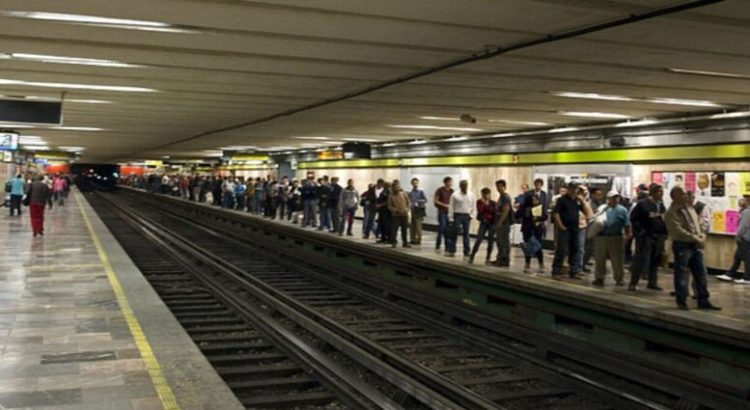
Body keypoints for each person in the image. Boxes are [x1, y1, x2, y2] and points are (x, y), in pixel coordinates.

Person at [665, 186, 720, 310]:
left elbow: (697, 224)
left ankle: (703, 299)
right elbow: (678, 232)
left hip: (695, 245)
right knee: (682, 273)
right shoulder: (671, 213)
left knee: (701, 272)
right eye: (682, 194)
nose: (685, 196)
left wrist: (701, 236)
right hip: (682, 246)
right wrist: (697, 239)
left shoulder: (689, 208)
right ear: (674, 196)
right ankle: (681, 300)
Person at [629, 183, 667, 291]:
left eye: (662, 191)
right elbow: (633, 218)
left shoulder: (661, 204)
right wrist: (640, 231)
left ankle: (652, 282)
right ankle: (633, 283)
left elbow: (664, 219)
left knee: (655, 260)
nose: (661, 194)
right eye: (659, 191)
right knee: (641, 259)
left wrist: (664, 233)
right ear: (653, 192)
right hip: (646, 236)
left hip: (658, 235)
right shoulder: (643, 204)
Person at [592, 191, 632, 287]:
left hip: (616, 237)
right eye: (612, 198)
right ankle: (599, 277)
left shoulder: (623, 210)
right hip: (601, 236)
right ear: (608, 198)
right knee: (600, 258)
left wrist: (628, 234)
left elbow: (627, 223)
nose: (614, 199)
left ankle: (619, 278)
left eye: (616, 197)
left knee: (617, 259)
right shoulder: (602, 208)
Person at [551, 182, 583, 280]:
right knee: (561, 250)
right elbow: (556, 213)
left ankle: (573, 271)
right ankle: (556, 271)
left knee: (575, 249)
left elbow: (586, 211)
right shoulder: (562, 200)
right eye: (572, 188)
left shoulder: (576, 201)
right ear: (568, 188)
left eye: (576, 188)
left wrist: (582, 200)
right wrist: (561, 226)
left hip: (575, 228)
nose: (574, 190)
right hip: (565, 228)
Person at [717, 195, 750, 284]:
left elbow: (743, 226)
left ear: (747, 201)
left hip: (745, 238)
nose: (740, 201)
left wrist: (738, 236)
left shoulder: (747, 212)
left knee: (747, 258)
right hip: (745, 237)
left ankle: (747, 277)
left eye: (743, 200)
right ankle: (730, 274)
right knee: (738, 257)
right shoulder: (744, 211)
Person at [519, 192, 547, 273]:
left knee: (538, 247)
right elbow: (518, 215)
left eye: (536, 199)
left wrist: (538, 218)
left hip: (537, 229)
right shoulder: (525, 207)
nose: (535, 201)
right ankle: (527, 264)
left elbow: (545, 216)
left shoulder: (540, 207)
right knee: (528, 247)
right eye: (533, 200)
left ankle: (541, 264)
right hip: (527, 229)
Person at [448, 180, 474, 258]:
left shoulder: (471, 194)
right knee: (454, 233)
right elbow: (451, 206)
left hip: (466, 216)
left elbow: (473, 205)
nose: (464, 187)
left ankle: (466, 251)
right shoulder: (455, 195)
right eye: (463, 186)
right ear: (460, 186)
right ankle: (452, 250)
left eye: (466, 185)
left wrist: (471, 215)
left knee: (466, 234)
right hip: (457, 215)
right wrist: (451, 218)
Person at [469, 187, 496, 264]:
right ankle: (472, 255)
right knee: (479, 239)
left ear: (489, 194)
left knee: (490, 241)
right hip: (483, 223)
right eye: (484, 194)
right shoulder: (479, 202)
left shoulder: (493, 203)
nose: (485, 196)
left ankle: (488, 257)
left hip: (491, 223)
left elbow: (494, 212)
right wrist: (484, 204)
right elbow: (479, 211)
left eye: (487, 194)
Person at [583, 187, 604, 270]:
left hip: (596, 228)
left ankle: (583, 264)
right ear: (593, 195)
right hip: (589, 228)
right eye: (597, 194)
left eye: (600, 195)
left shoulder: (600, 204)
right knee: (588, 248)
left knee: (591, 248)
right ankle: (582, 265)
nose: (599, 196)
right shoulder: (589, 204)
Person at [494, 179, 513, 267]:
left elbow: (506, 210)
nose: (498, 188)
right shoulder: (501, 197)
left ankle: (504, 260)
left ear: (504, 187)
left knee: (504, 241)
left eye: (500, 186)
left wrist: (500, 222)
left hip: (504, 223)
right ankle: (500, 258)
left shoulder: (505, 197)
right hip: (500, 222)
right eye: (497, 186)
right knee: (500, 241)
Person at [387, 180, 411, 248]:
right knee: (394, 229)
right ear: (393, 188)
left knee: (404, 229)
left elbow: (408, 202)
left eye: (398, 187)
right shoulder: (390, 196)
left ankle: (405, 242)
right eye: (396, 187)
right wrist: (396, 210)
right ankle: (394, 242)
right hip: (396, 215)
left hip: (404, 214)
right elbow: (389, 206)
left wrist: (407, 209)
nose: (397, 188)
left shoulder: (404, 194)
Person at [434, 177, 454, 253]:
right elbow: (436, 201)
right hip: (442, 211)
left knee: (448, 229)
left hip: (449, 212)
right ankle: (438, 245)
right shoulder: (440, 190)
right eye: (450, 182)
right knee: (441, 228)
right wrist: (445, 205)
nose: (451, 183)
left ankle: (447, 246)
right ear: (446, 182)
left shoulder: (452, 191)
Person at [408, 178, 427, 245]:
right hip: (412, 210)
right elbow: (409, 201)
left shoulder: (421, 191)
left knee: (418, 226)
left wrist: (418, 202)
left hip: (419, 211)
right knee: (412, 225)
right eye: (414, 183)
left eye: (416, 183)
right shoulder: (410, 192)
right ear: (412, 184)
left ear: (418, 183)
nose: (415, 184)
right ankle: (412, 239)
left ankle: (419, 239)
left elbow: (425, 200)